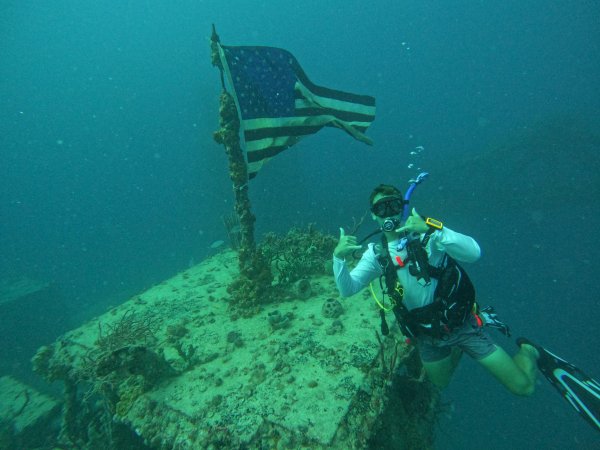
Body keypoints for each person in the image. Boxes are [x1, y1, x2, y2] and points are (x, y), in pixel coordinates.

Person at [332, 183, 540, 395]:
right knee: (441, 382)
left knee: (524, 387)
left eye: (393, 206)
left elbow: (474, 253)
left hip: (460, 325)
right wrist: (338, 258)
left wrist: (435, 230)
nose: (388, 215)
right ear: (374, 216)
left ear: (403, 207)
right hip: (426, 334)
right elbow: (348, 289)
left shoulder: (427, 236)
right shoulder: (376, 255)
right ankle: (460, 345)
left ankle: (528, 350)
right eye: (380, 209)